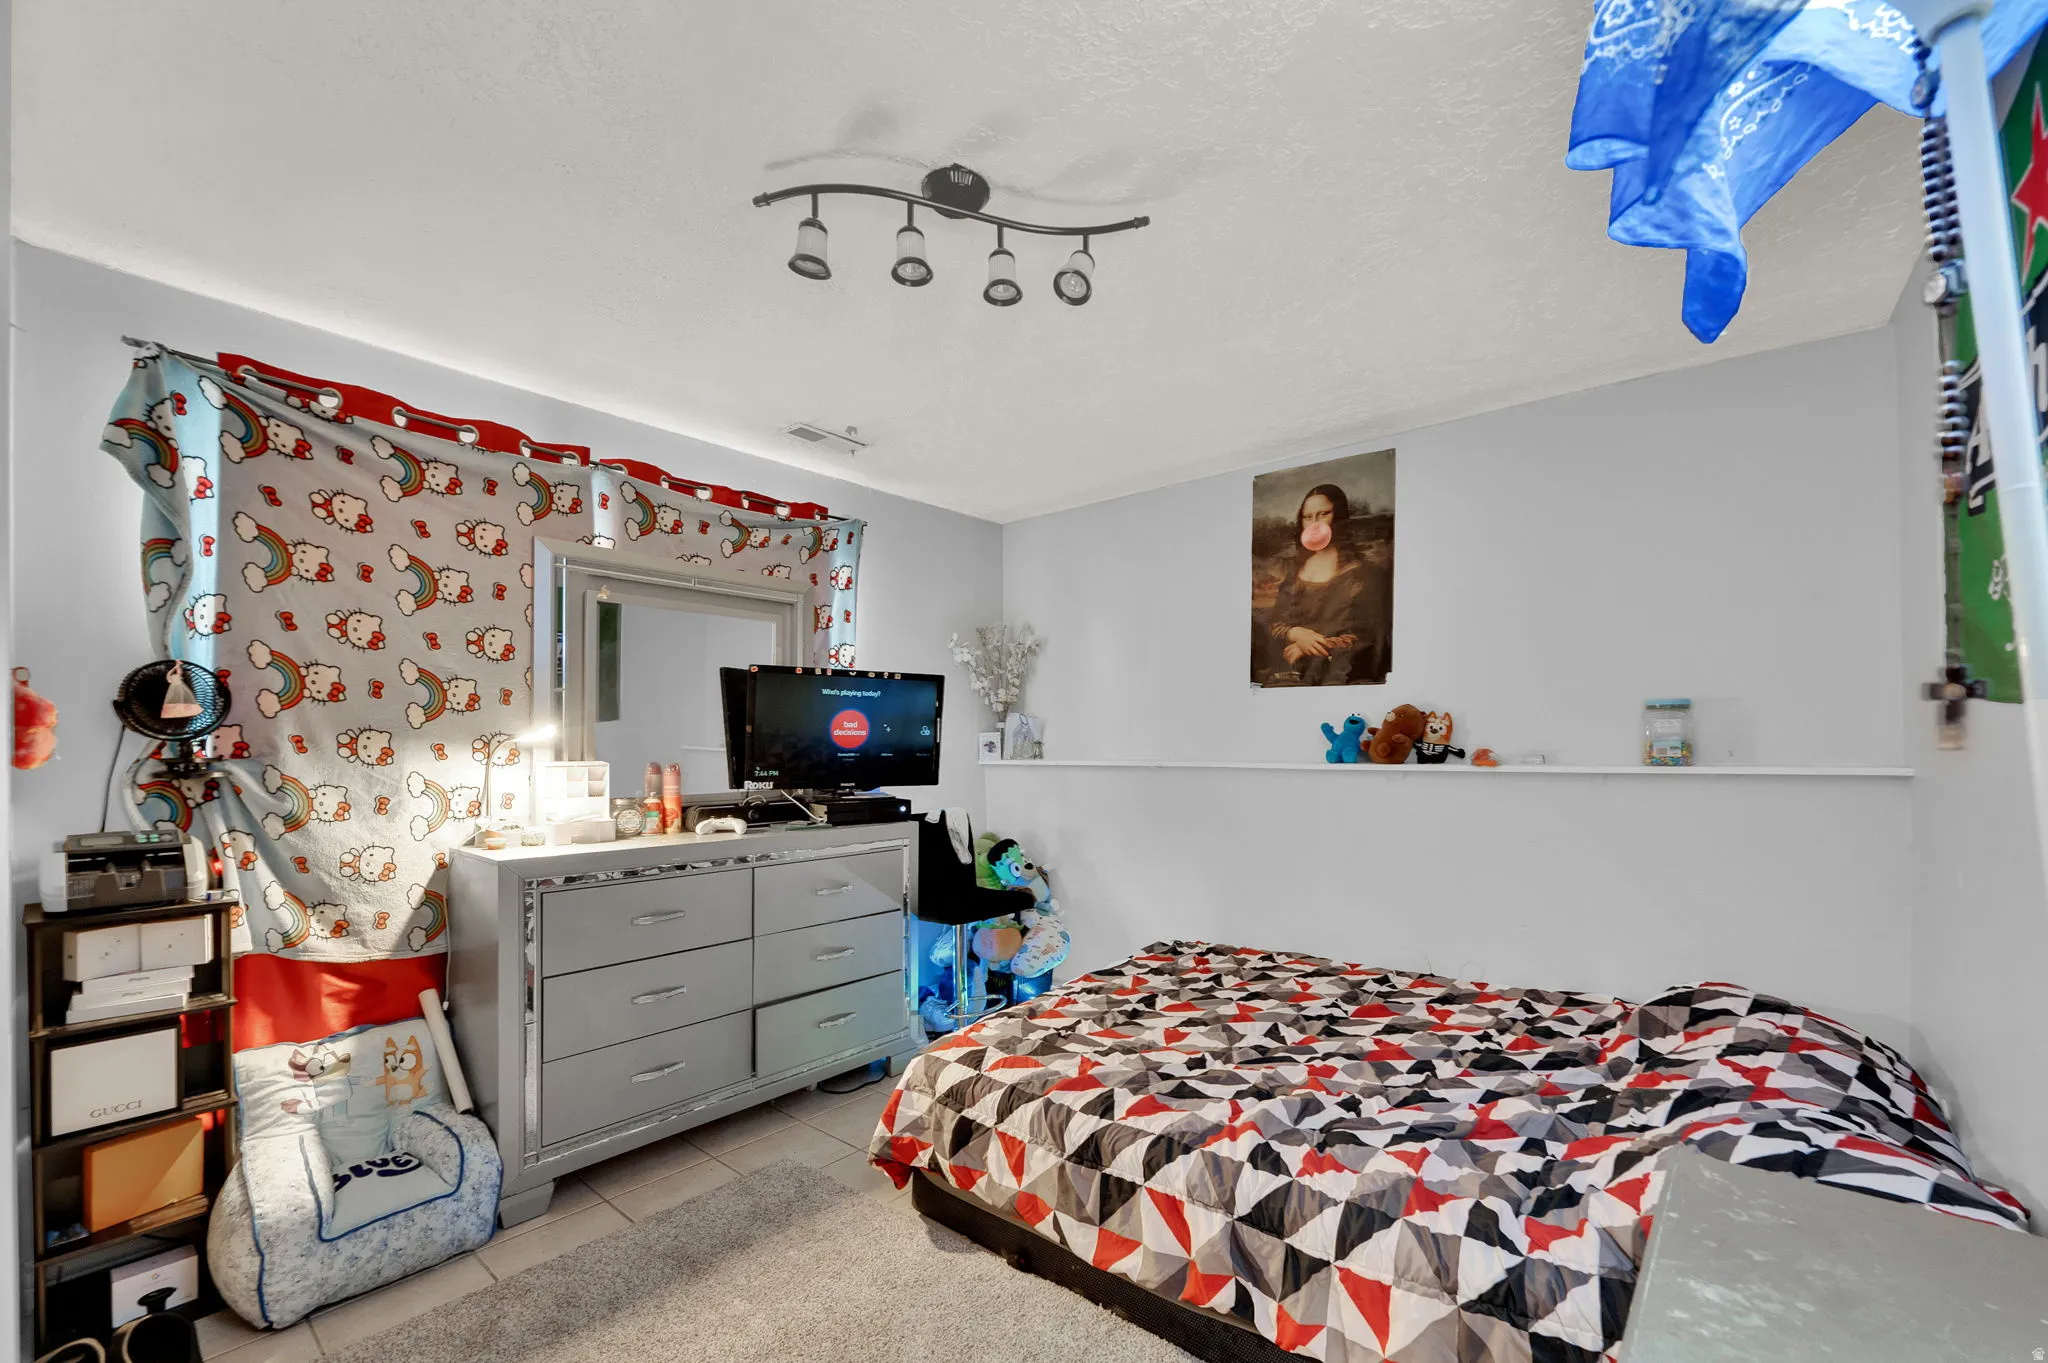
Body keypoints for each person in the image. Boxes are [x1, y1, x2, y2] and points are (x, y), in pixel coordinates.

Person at [1262, 484, 1385, 685]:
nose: (1314, 524)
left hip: (1340, 674)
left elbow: (1367, 636)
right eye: (1308, 517)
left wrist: (1309, 646)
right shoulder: (1295, 572)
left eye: (1323, 514)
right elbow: (1275, 622)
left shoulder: (1362, 573)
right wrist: (1296, 633)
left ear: (1338, 517)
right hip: (1293, 671)